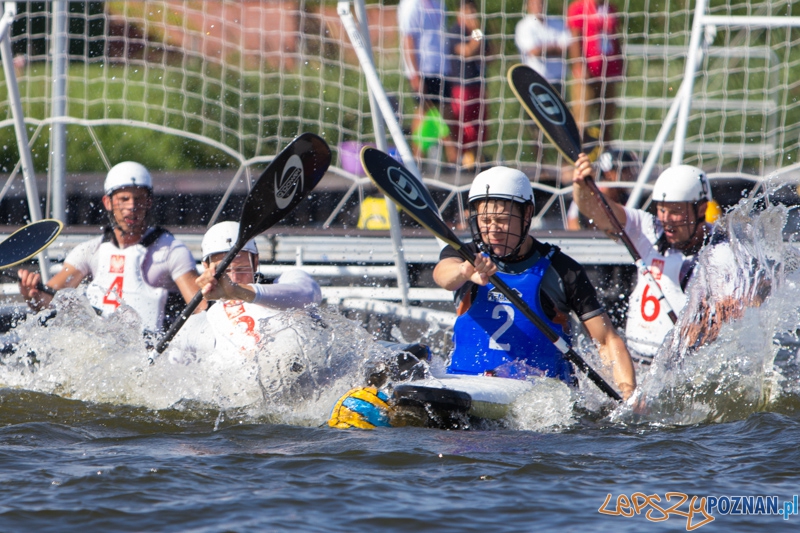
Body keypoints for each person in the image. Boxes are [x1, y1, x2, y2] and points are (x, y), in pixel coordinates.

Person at [433, 166, 635, 400]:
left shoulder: (563, 270)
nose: (493, 230)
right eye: (485, 220)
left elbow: (606, 339)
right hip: (466, 385)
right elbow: (443, 276)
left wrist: (627, 392)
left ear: (527, 214)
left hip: (538, 398)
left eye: (502, 220)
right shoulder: (465, 256)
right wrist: (464, 271)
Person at [572, 153, 726, 362]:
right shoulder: (648, 228)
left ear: (701, 209)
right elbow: (597, 212)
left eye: (676, 211)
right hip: (635, 358)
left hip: (679, 365)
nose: (667, 221)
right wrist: (582, 186)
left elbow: (732, 310)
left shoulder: (720, 251)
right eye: (662, 210)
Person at [17, 161, 203, 332]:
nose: (131, 206)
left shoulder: (171, 251)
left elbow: (201, 310)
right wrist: (31, 295)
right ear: (108, 202)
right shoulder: (89, 251)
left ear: (149, 202)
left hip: (151, 352)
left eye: (138, 199)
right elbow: (50, 300)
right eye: (124, 199)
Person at [166, 221, 322, 362]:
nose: (234, 278)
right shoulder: (199, 325)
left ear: (255, 261)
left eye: (242, 268)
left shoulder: (287, 281)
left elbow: (308, 295)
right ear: (207, 268)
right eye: (224, 271)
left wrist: (238, 291)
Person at [398, 0, 457, 164]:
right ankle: (415, 159)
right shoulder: (411, 5)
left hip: (442, 68)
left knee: (446, 112)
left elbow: (441, 36)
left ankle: (452, 158)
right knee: (423, 112)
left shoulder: (439, 3)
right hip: (423, 68)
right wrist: (414, 73)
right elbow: (408, 38)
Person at [566, 0, 624, 142]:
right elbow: (575, 38)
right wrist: (579, 65)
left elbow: (615, 37)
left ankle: (606, 157)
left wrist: (621, 64)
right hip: (588, 72)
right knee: (581, 119)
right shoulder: (578, 7)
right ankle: (575, 157)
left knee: (608, 119)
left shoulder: (610, 7)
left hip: (608, 72)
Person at [445, 0, 488, 169]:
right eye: (467, 9)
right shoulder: (456, 30)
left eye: (472, 9)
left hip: (478, 84)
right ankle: (463, 159)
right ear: (459, 12)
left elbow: (490, 54)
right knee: (465, 123)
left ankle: (476, 157)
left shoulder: (477, 31)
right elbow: (467, 52)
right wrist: (477, 34)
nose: (471, 12)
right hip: (461, 85)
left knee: (480, 122)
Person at [567, 148, 639, 230]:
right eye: (625, 171)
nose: (630, 175)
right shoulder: (586, 196)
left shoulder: (627, 198)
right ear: (608, 174)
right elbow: (572, 228)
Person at [515, 0, 571, 95]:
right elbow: (534, 52)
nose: (538, 6)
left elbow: (569, 47)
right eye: (534, 3)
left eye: (541, 3)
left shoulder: (557, 22)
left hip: (558, 79)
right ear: (527, 6)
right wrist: (555, 47)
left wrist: (543, 49)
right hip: (535, 80)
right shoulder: (523, 26)